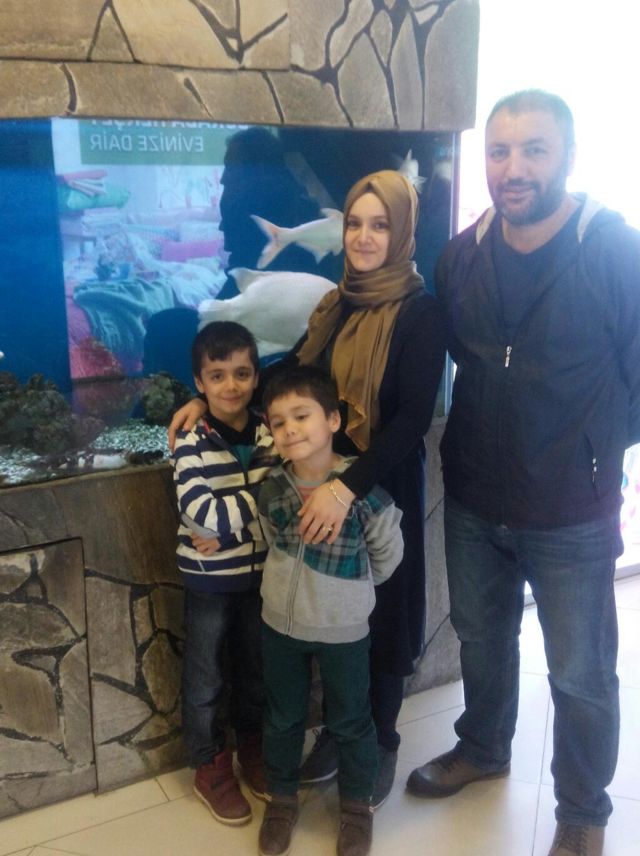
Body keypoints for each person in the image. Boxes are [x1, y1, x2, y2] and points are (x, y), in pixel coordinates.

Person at [407, 90, 640, 856]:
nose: (513, 168)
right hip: (475, 497)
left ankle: (583, 810)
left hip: (573, 509)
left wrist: (593, 450)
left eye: (533, 150)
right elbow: (459, 359)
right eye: (499, 151)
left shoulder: (615, 250)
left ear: (567, 154)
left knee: (579, 673)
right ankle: (483, 747)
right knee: (481, 637)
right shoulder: (462, 256)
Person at [169, 169, 447, 808]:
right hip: (315, 481)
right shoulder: (334, 305)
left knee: (385, 614)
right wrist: (209, 399)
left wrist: (348, 489)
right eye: (355, 223)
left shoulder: (422, 313)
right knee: (333, 615)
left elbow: (412, 418)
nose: (364, 237)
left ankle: (380, 741)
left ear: (404, 231)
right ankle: (343, 733)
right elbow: (285, 376)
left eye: (380, 225)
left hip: (379, 484)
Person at [257, 365, 403, 856]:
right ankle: (281, 799)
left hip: (344, 630)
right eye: (279, 422)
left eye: (302, 416)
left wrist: (353, 593)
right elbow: (268, 539)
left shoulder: (361, 491)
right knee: (282, 716)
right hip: (280, 626)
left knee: (351, 719)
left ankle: (357, 808)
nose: (290, 429)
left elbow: (388, 554)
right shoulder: (273, 486)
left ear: (333, 420)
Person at [171, 320, 279, 826]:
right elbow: (202, 516)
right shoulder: (189, 439)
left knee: (256, 669)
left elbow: (283, 498)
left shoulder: (270, 432)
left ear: (256, 376)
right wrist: (257, 503)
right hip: (208, 579)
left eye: (241, 373)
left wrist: (232, 528)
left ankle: (252, 747)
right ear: (199, 382)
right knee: (206, 674)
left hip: (261, 577)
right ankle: (209, 763)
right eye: (217, 376)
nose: (230, 385)